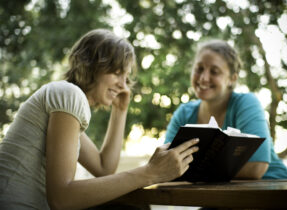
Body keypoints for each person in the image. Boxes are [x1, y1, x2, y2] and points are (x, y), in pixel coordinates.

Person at [0, 29, 199, 210]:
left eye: (126, 76)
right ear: (91, 66)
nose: (123, 84)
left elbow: (104, 169)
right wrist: (149, 173)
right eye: (117, 72)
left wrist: (120, 111)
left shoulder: (65, 102)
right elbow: (61, 198)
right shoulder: (69, 94)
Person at [165, 39, 287, 180]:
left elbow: (256, 168)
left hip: (274, 191)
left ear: (232, 79)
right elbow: (167, 165)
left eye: (214, 72)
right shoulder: (183, 113)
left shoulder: (246, 103)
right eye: (199, 69)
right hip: (217, 197)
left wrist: (192, 172)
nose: (203, 78)